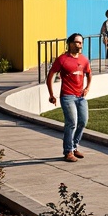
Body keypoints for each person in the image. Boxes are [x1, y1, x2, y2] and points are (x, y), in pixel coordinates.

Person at [46, 33, 91, 162]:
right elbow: (50, 76)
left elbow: (89, 73)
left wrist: (87, 87)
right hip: (67, 96)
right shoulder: (62, 59)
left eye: (81, 42)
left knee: (83, 122)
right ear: (70, 43)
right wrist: (51, 94)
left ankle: (74, 146)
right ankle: (68, 152)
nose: (80, 45)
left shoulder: (84, 59)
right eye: (77, 42)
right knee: (71, 123)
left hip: (80, 96)